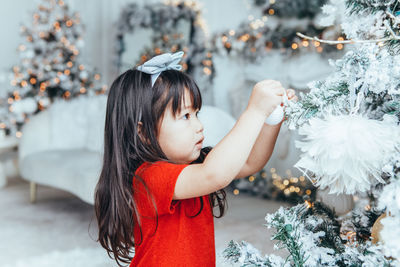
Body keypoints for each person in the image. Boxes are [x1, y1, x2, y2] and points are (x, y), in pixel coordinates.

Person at [94, 51, 297, 267]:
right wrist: (254, 111)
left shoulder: (196, 166)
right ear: (143, 133)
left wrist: (272, 118)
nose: (199, 126)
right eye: (185, 116)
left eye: (196, 114)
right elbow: (214, 175)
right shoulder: (148, 176)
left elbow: (250, 162)